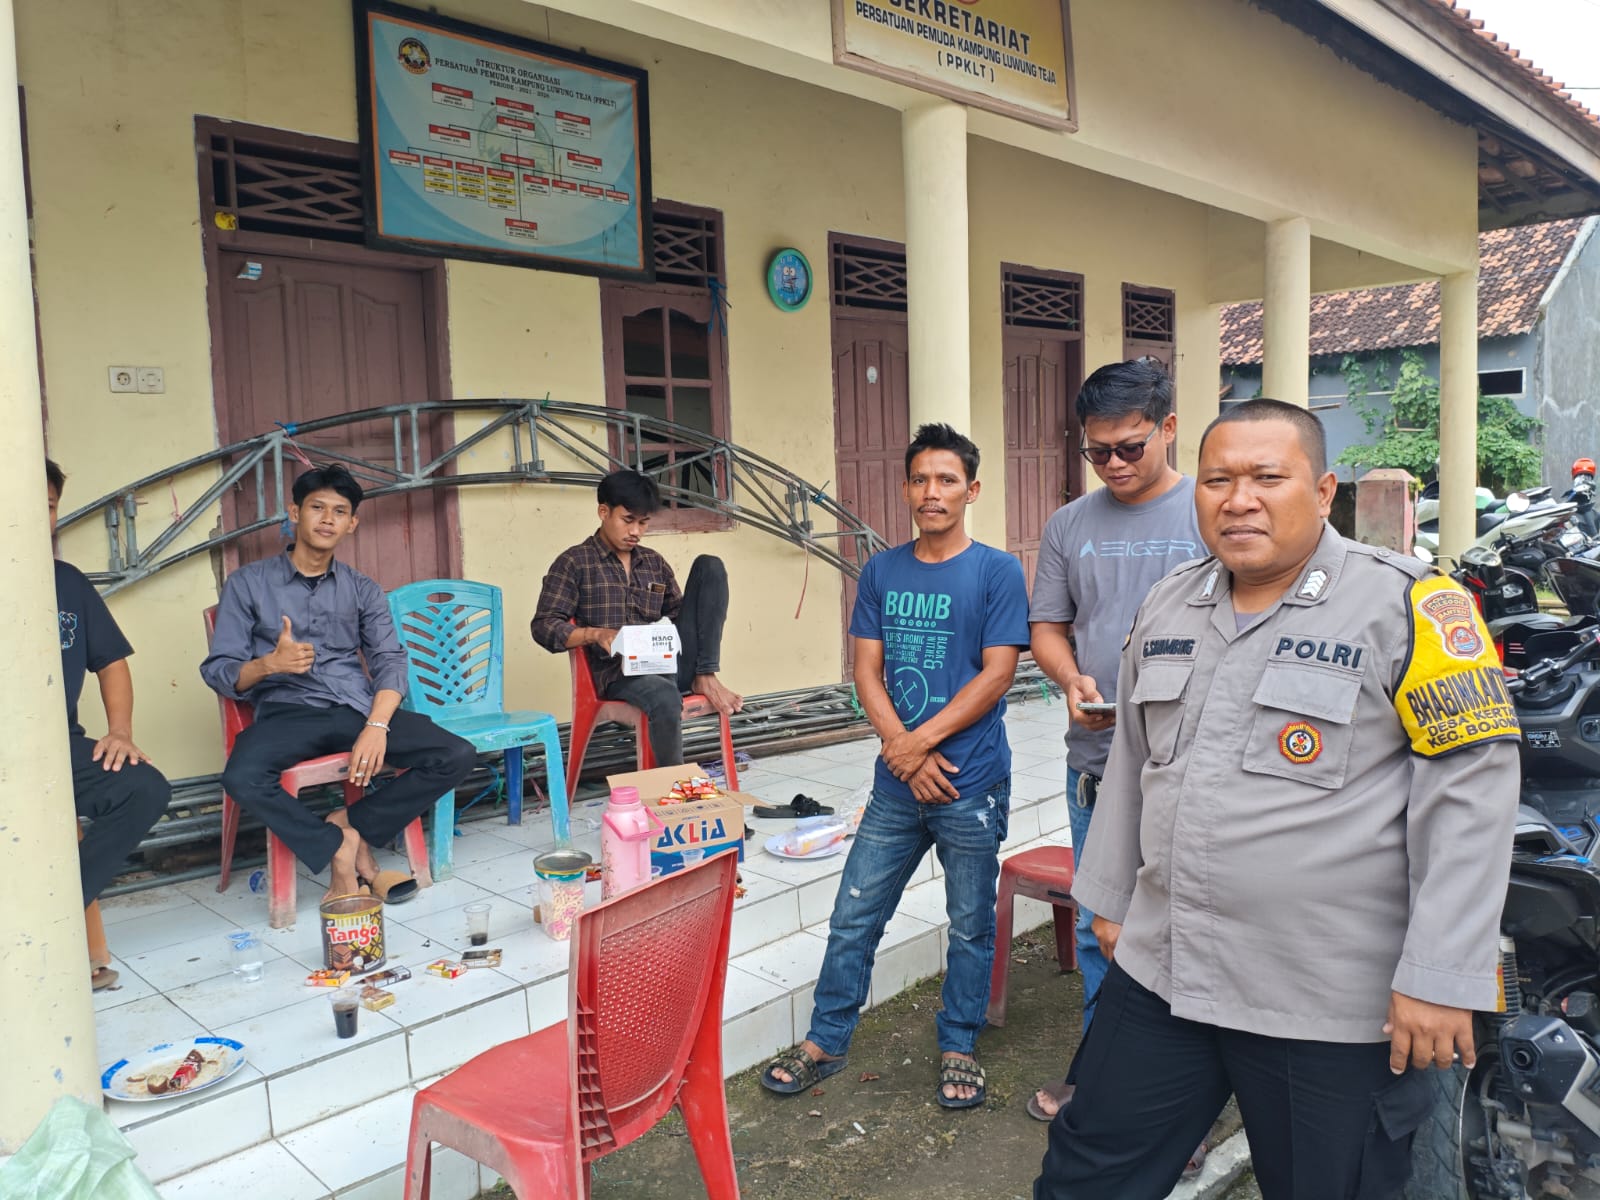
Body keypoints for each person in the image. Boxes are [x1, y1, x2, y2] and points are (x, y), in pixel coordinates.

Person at [1034, 400, 1520, 1199]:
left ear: (1323, 491)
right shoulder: (1169, 603)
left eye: (1267, 477)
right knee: (1086, 1173)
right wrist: (1111, 901)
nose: (1239, 500)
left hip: (1323, 998)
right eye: (1217, 480)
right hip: (1165, 968)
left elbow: (1472, 793)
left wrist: (1440, 974)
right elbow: (1133, 764)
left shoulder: (1411, 607)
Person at [760, 423, 1030, 1109]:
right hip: (897, 786)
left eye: (946, 480)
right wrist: (903, 753)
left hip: (970, 784)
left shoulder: (996, 571)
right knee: (854, 915)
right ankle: (826, 1039)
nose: (931, 492)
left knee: (969, 924)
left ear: (971, 490)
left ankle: (959, 1043)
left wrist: (919, 744)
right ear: (906, 489)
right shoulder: (882, 571)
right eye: (919, 479)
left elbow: (998, 674)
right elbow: (865, 670)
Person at [1023, 359, 1206, 1154]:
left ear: (1169, 428)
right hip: (1096, 761)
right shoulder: (1070, 525)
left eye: (1130, 447)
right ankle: (1102, 1077)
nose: (1114, 465)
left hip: (1191, 768)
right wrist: (1070, 679)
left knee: (1185, 933)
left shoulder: (1209, 511)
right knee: (1108, 925)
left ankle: (1181, 1110)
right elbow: (1047, 627)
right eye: (1097, 452)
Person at [200, 464, 476, 902]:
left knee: (455, 753)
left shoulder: (362, 589)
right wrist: (269, 664)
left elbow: (389, 660)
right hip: (288, 712)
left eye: (339, 511)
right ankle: (339, 850)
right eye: (317, 507)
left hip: (355, 709)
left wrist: (377, 725)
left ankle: (349, 824)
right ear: (295, 512)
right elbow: (219, 670)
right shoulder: (248, 584)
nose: (328, 519)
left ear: (352, 524)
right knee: (242, 776)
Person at [48, 458, 171, 989]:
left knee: (145, 787)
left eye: (48, 506)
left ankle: (52, 917)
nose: (37, 516)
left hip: (58, 747)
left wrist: (119, 732)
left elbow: (112, 662)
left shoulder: (67, 583)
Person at [531, 469, 742, 768]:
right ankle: (675, 786)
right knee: (664, 695)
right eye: (628, 520)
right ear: (604, 512)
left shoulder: (653, 563)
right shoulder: (575, 563)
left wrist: (693, 656)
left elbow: (681, 617)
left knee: (710, 566)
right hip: (618, 675)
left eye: (643, 523)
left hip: (669, 665)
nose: (636, 531)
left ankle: (705, 675)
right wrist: (594, 634)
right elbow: (544, 626)